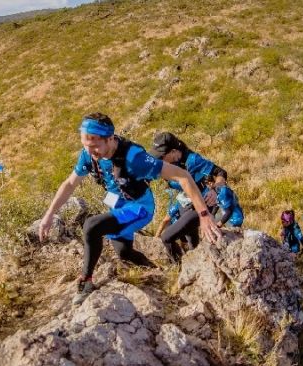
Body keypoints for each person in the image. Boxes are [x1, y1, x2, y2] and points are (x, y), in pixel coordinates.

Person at [38, 113, 221, 305]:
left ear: (110, 138)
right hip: (119, 205)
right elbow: (69, 183)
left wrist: (204, 214)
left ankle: (86, 282)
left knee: (92, 226)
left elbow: (183, 176)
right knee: (124, 253)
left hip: (140, 208)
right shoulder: (89, 154)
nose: (89, 151)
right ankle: (159, 272)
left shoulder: (135, 158)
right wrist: (49, 214)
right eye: (85, 145)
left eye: (94, 146)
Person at [150, 132, 226, 261]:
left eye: (161, 156)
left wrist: (215, 189)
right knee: (191, 241)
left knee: (166, 237)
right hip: (184, 203)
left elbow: (220, 172)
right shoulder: (165, 165)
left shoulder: (192, 160)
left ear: (174, 151)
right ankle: (196, 267)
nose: (158, 160)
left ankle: (179, 270)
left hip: (202, 204)